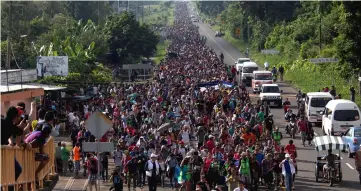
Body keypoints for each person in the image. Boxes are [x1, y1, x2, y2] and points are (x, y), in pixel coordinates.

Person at [1, 106, 28, 186]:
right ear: (15, 117)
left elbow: (16, 129)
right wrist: (28, 123)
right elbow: (22, 132)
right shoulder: (10, 126)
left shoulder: (3, 121)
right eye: (18, 116)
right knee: (18, 169)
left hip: (4, 149)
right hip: (3, 150)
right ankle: (9, 187)